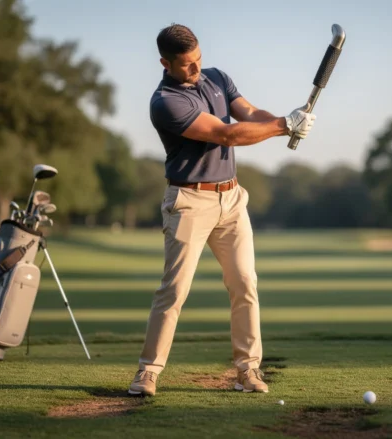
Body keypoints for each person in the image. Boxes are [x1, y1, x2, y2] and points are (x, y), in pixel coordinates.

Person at [128, 23, 317, 397]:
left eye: (199, 60)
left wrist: (286, 119)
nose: (196, 70)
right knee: (174, 291)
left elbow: (248, 114)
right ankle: (148, 372)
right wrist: (283, 127)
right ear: (165, 63)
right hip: (189, 203)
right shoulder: (166, 101)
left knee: (245, 283)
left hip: (231, 200)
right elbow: (226, 134)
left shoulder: (217, 78)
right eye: (187, 65)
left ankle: (248, 370)